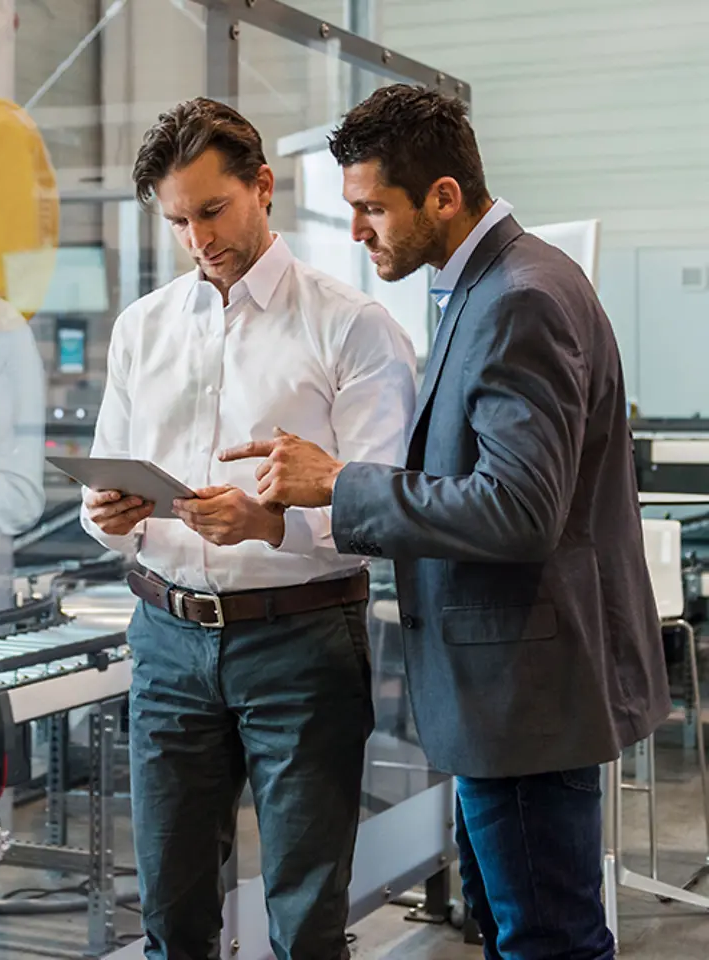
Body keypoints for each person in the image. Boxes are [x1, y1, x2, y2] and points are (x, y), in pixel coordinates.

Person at [220, 84, 671, 960]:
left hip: (525, 696)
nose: (356, 231)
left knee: (547, 941)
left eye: (370, 208)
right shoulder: (497, 284)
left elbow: (519, 508)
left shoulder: (518, 299)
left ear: (444, 196)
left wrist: (340, 484)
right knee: (521, 930)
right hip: (512, 693)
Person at [81, 97, 417, 960]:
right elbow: (107, 489)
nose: (198, 238)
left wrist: (271, 526)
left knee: (306, 922)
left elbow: (384, 519)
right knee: (172, 916)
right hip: (165, 639)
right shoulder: (141, 329)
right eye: (178, 220)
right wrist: (106, 515)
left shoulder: (353, 327)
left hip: (301, 644)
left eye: (213, 210)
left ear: (262, 186)